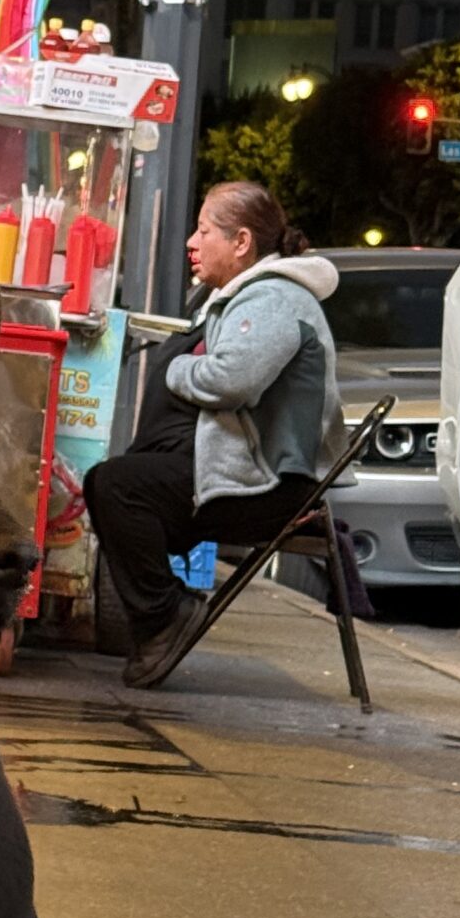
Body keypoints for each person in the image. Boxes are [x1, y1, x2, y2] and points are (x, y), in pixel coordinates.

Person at [83, 180, 342, 689]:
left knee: (117, 486)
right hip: (249, 473)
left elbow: (231, 380)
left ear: (241, 242)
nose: (191, 242)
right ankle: (158, 617)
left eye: (204, 231)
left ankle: (165, 617)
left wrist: (177, 369)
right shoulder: (243, 296)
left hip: (269, 485)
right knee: (118, 482)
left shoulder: (273, 297)